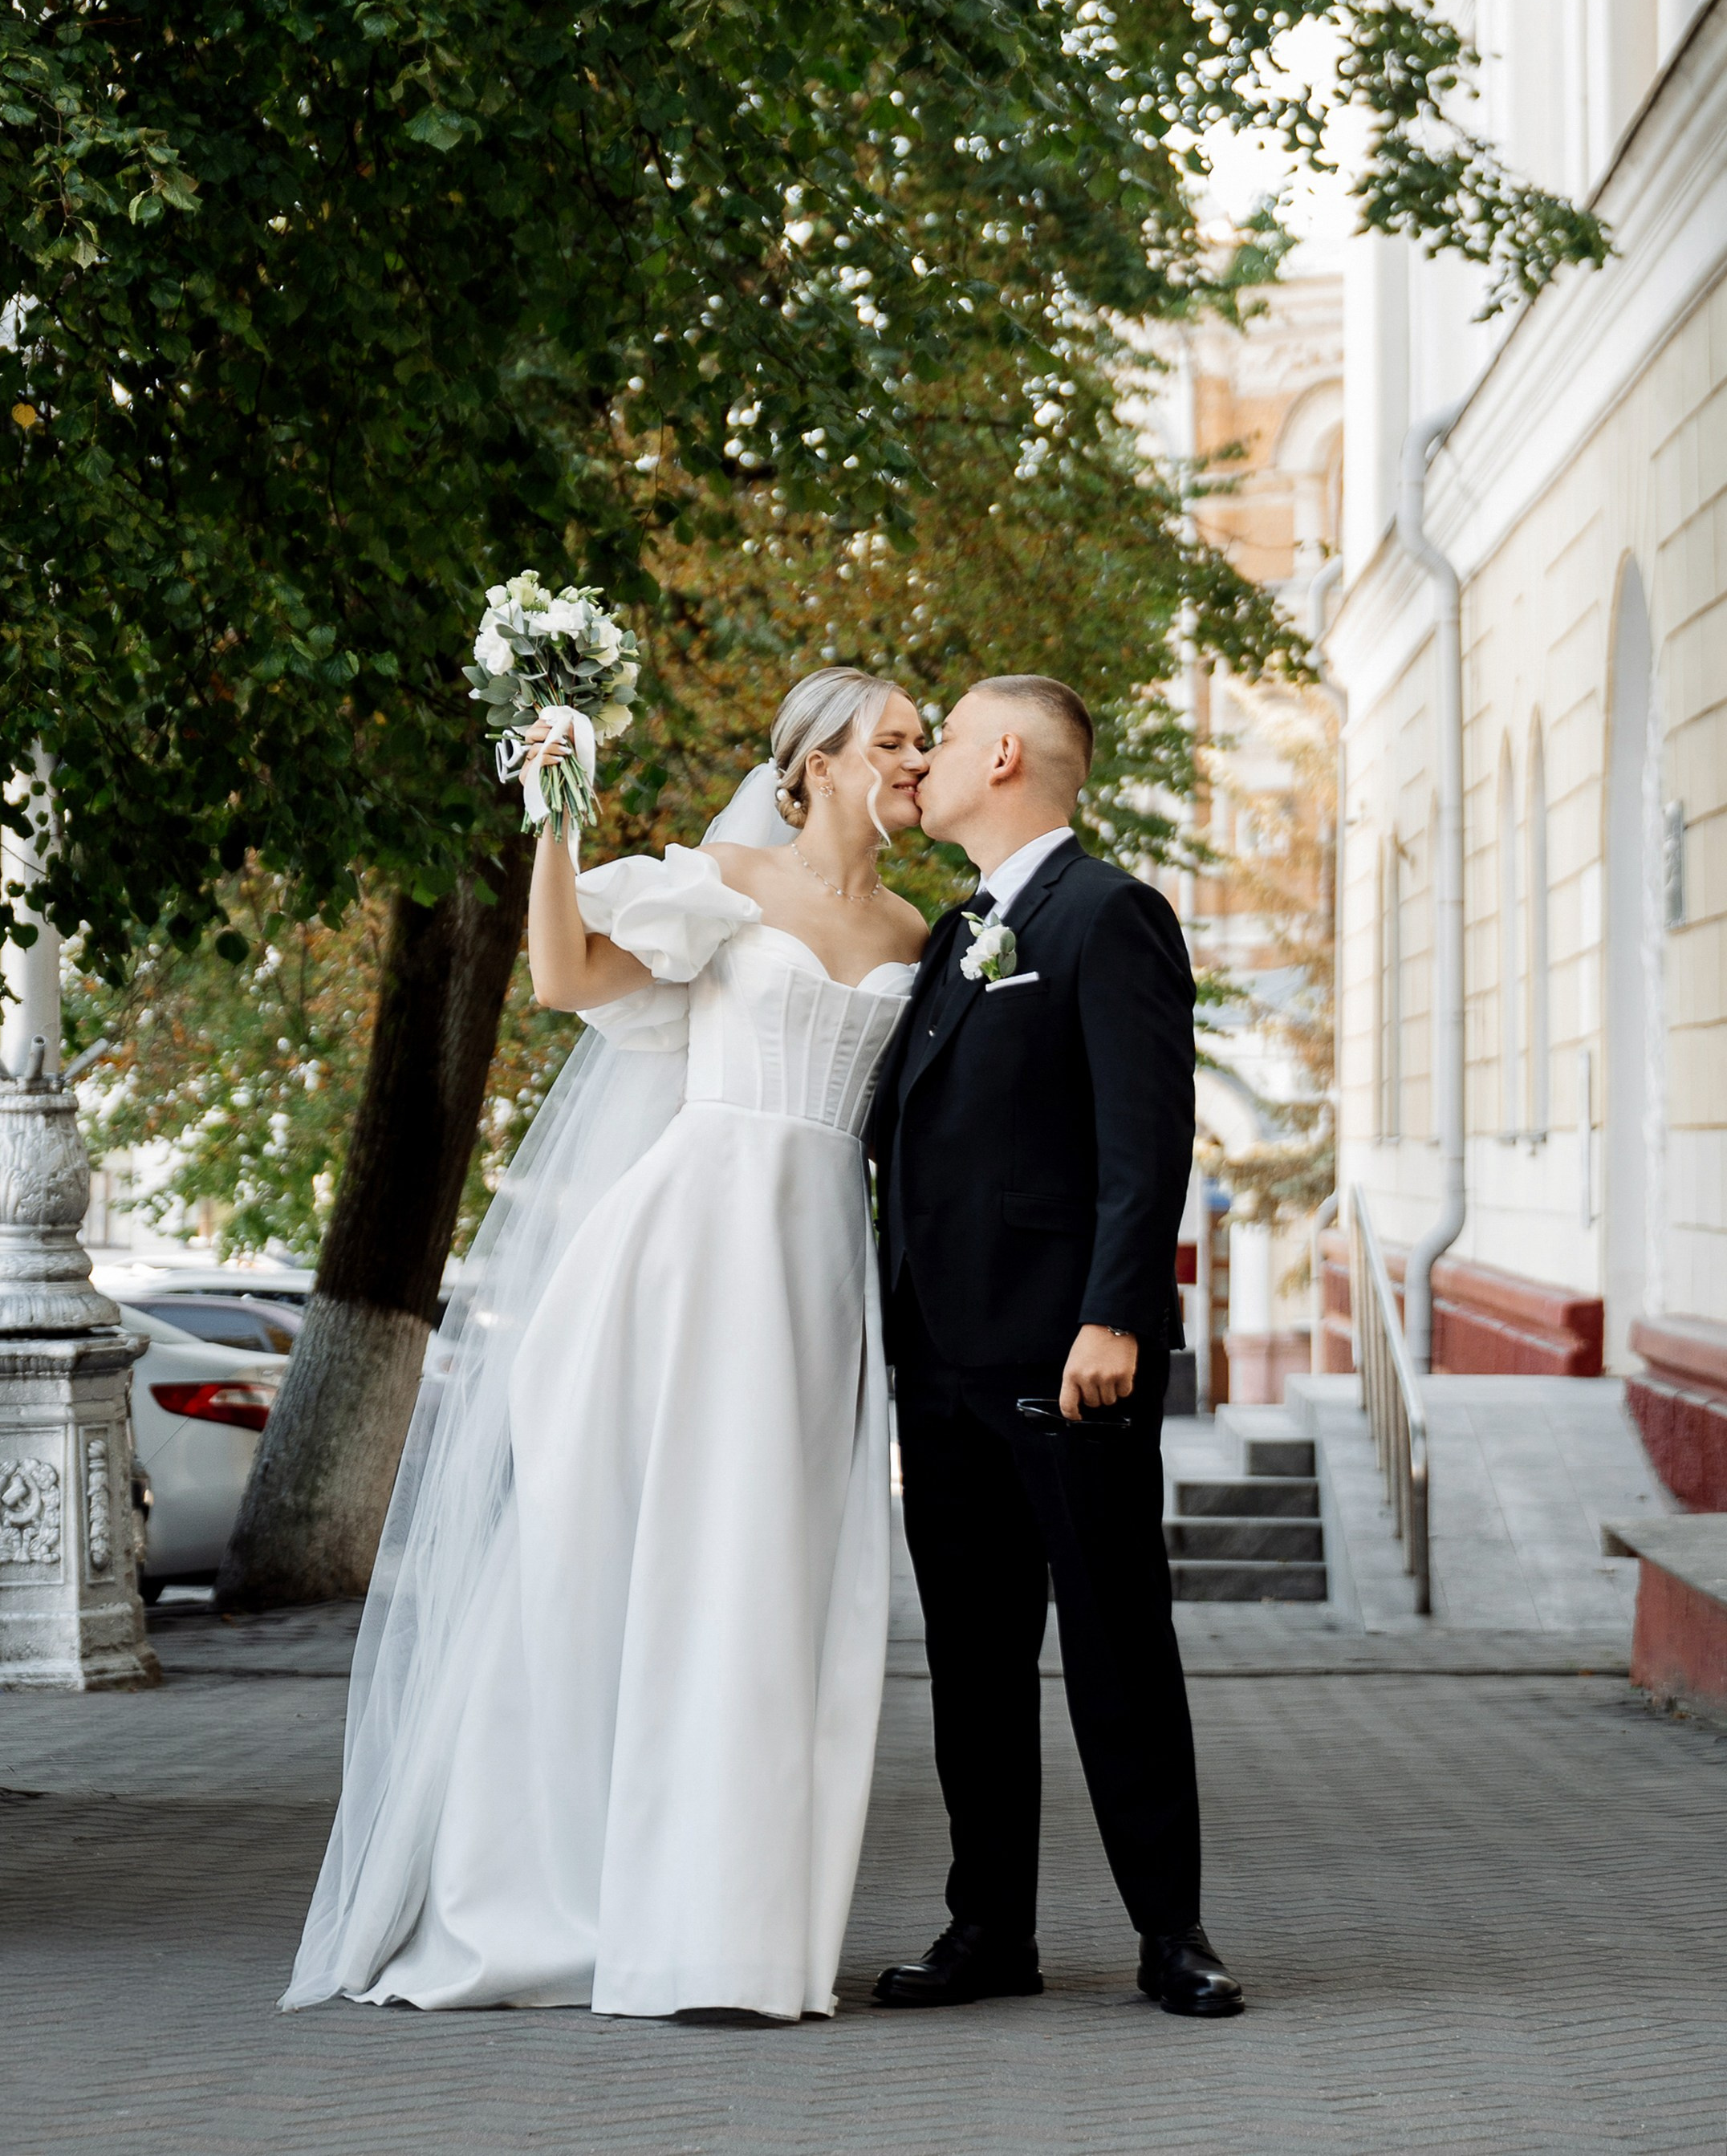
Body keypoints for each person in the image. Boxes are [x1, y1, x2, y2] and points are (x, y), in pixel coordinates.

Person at [282, 669, 929, 2023]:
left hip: (815, 1280)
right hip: (688, 1261)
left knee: (778, 1587)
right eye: (894, 740)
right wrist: (557, 820)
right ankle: (577, 1901)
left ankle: (738, 1936)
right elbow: (570, 974)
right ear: (812, 764)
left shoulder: (924, 930)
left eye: (925, 740)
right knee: (641, 1569)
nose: (917, 759)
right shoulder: (726, 879)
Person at [868, 676, 1243, 2019]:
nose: (931, 762)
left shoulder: (1107, 915)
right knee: (972, 1659)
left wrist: (1117, 1314)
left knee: (1114, 1647)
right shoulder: (958, 928)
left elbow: (1148, 1142)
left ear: (1008, 754)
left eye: (950, 740)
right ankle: (992, 1932)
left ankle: (1172, 1935)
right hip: (941, 1358)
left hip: (1068, 1355)